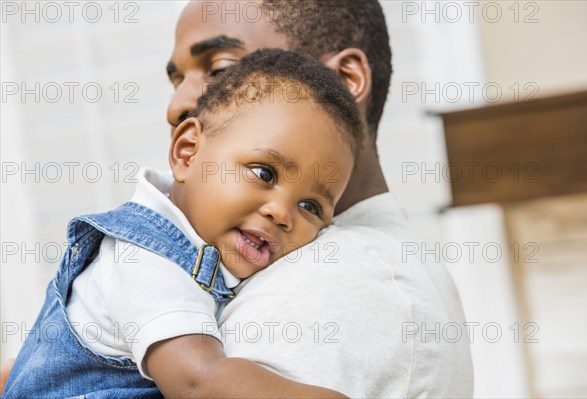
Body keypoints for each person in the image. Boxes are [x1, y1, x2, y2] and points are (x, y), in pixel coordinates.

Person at [2, 0, 474, 397]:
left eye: (223, 69)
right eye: (178, 79)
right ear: (186, 149)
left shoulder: (343, 275)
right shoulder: (157, 253)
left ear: (346, 81)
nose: (177, 105)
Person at [2, 49, 362, 398]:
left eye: (310, 206)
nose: (283, 214)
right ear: (188, 152)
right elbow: (198, 383)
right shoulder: (144, 261)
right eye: (263, 172)